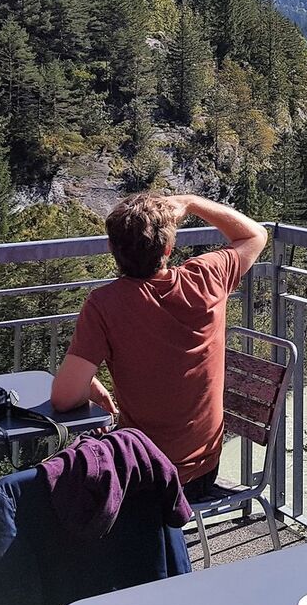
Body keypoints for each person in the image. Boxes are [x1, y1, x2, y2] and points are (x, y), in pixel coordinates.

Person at [51, 194, 268, 500]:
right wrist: (191, 203)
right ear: (168, 249)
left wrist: (92, 387)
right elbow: (255, 235)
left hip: (144, 473)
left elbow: (63, 399)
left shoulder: (104, 305)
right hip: (204, 470)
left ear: (112, 249)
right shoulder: (207, 278)